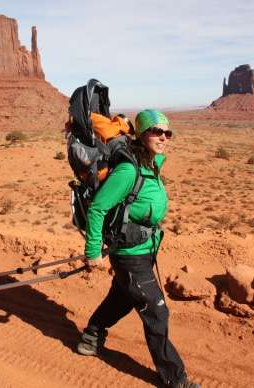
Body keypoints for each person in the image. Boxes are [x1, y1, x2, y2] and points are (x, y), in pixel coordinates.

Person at [76, 109, 199, 388]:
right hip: (130, 254)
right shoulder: (129, 169)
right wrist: (93, 251)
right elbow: (98, 208)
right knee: (156, 312)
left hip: (143, 249)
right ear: (142, 134)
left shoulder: (151, 164)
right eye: (156, 131)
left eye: (167, 132)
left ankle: (91, 337)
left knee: (121, 298)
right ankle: (175, 379)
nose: (163, 137)